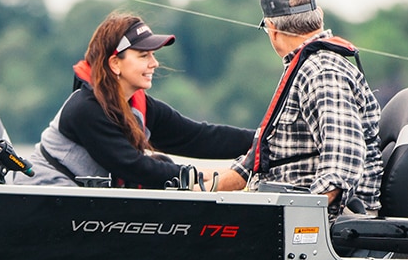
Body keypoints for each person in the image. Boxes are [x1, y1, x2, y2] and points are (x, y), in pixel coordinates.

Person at [209, 0, 382, 212]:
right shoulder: (302, 67)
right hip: (282, 211)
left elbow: (342, 165)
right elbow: (257, 162)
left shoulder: (322, 72)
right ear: (318, 15)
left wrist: (300, 219)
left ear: (272, 29)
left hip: (319, 226)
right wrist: (201, 188)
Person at [30, 12, 254, 188]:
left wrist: (262, 141)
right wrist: (196, 176)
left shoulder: (142, 108)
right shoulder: (84, 109)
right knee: (161, 168)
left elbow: (199, 137)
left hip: (81, 207)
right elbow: (133, 167)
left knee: (163, 165)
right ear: (115, 63)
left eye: (153, 55)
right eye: (144, 55)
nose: (154, 63)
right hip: (41, 200)